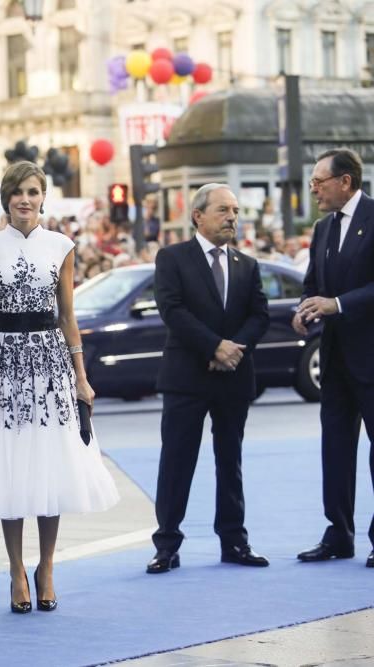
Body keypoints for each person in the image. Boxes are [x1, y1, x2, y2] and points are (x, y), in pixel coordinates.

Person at [0, 161, 119, 612]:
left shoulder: (61, 245)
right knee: (8, 468)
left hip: (50, 364)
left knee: (50, 466)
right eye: (16, 192)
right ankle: (15, 569)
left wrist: (81, 378)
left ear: (43, 197)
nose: (24, 199)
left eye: (32, 191)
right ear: (6, 198)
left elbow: (68, 315)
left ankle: (46, 567)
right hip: (1, 364)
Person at [146, 183, 270, 574]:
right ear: (198, 215)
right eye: (223, 210)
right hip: (187, 376)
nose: (232, 217)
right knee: (177, 461)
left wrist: (233, 350)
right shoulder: (172, 258)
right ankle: (167, 545)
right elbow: (172, 310)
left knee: (229, 460)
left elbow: (259, 315)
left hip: (233, 376)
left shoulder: (247, 265)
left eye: (235, 210)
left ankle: (235, 541)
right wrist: (214, 347)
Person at [294, 148, 374, 569]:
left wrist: (337, 304)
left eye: (319, 181)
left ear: (345, 181)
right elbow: (312, 285)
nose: (313, 188)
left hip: (371, 358)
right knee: (335, 449)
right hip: (335, 360)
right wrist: (305, 307)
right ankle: (339, 534)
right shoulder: (323, 229)